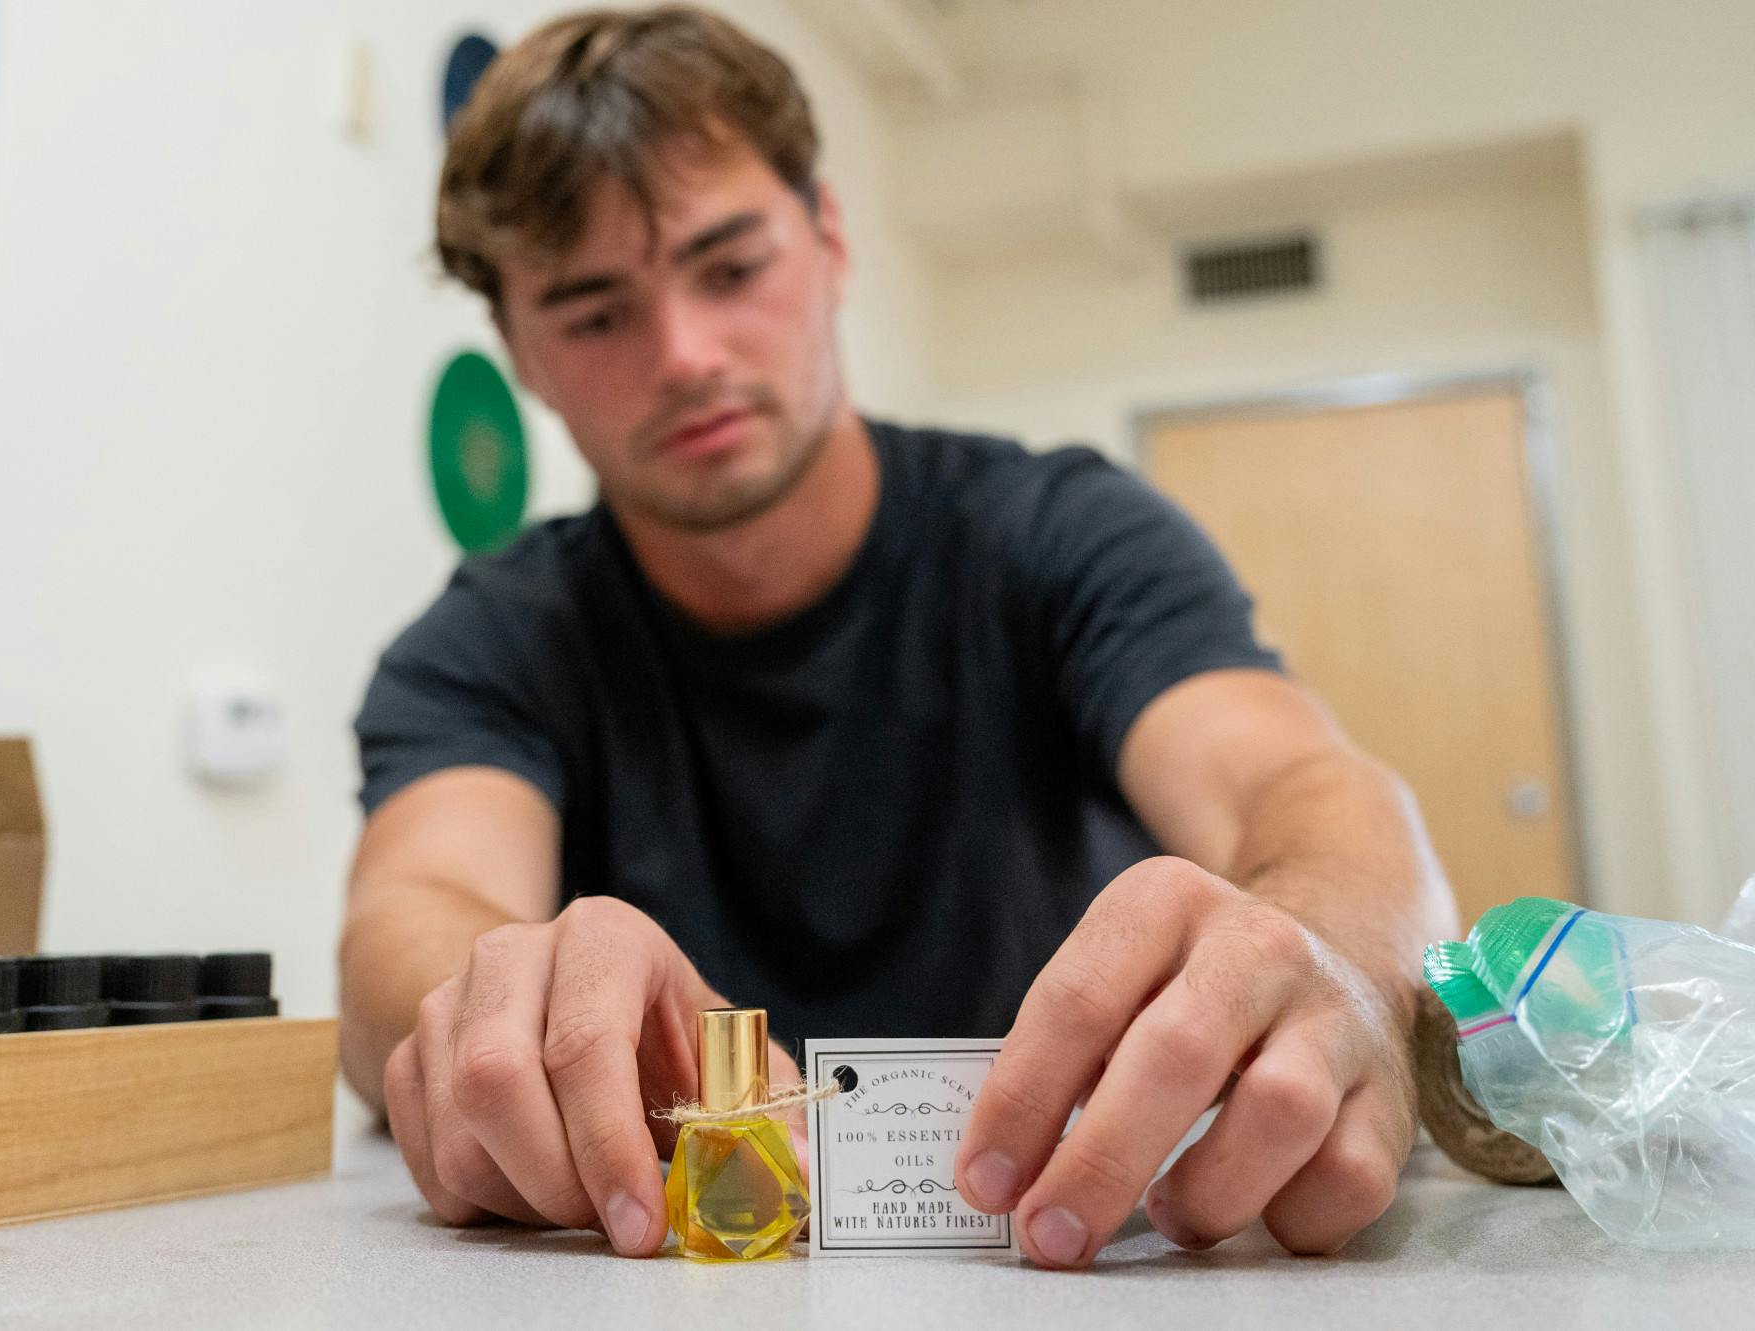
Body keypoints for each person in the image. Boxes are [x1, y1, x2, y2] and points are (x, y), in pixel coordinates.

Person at [341, 5, 1456, 1269]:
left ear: (826, 241)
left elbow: (1300, 784)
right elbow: (411, 906)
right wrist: (492, 997)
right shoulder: (485, 637)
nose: (686, 354)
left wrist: (1338, 952)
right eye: (596, 313)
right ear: (521, 355)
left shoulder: (1062, 531)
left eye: (729, 265)